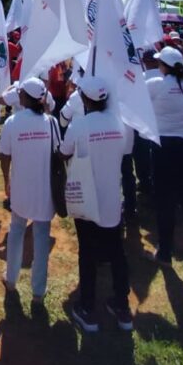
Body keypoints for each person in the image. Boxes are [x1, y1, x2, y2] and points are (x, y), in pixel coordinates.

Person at [60, 74, 134, 332]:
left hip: (87, 198)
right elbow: (125, 151)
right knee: (116, 252)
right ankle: (122, 308)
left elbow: (64, 152)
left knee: (87, 252)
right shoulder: (119, 123)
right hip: (112, 197)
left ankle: (87, 308)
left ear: (84, 98)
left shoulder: (79, 125)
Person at [0, 77, 57, 307]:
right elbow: (58, 152)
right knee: (41, 237)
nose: (18, 95)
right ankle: (38, 291)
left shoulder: (13, 122)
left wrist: (6, 180)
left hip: (21, 187)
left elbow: (5, 154)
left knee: (16, 231)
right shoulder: (50, 123)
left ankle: (11, 279)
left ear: (25, 97)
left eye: (20, 92)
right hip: (45, 190)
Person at [146, 46, 183, 267]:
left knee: (165, 201)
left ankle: (164, 252)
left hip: (167, 146)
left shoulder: (156, 84)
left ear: (164, 66)